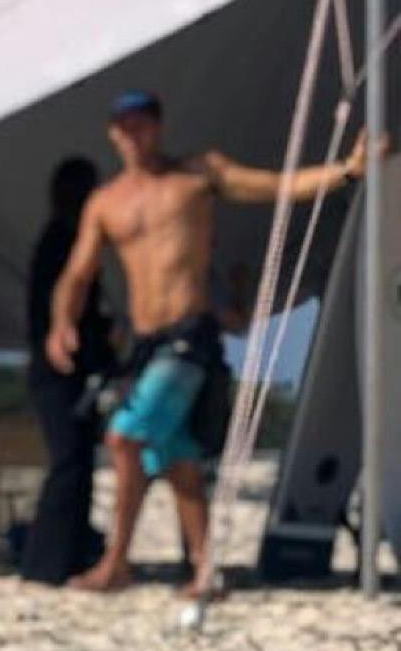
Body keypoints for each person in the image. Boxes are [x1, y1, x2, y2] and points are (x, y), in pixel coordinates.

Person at [48, 91, 380, 595]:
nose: (133, 135)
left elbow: (278, 187)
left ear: (158, 127)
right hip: (146, 342)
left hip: (190, 336)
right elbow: (76, 273)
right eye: (124, 126)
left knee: (125, 436)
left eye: (142, 125)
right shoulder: (106, 202)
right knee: (176, 458)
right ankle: (205, 569)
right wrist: (61, 323)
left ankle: (117, 562)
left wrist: (347, 172)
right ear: (113, 133)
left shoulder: (198, 175)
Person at [20, 156, 113, 585]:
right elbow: (62, 303)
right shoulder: (64, 240)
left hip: (68, 365)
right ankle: (47, 562)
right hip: (60, 365)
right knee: (69, 462)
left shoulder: (67, 238)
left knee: (76, 462)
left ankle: (68, 553)